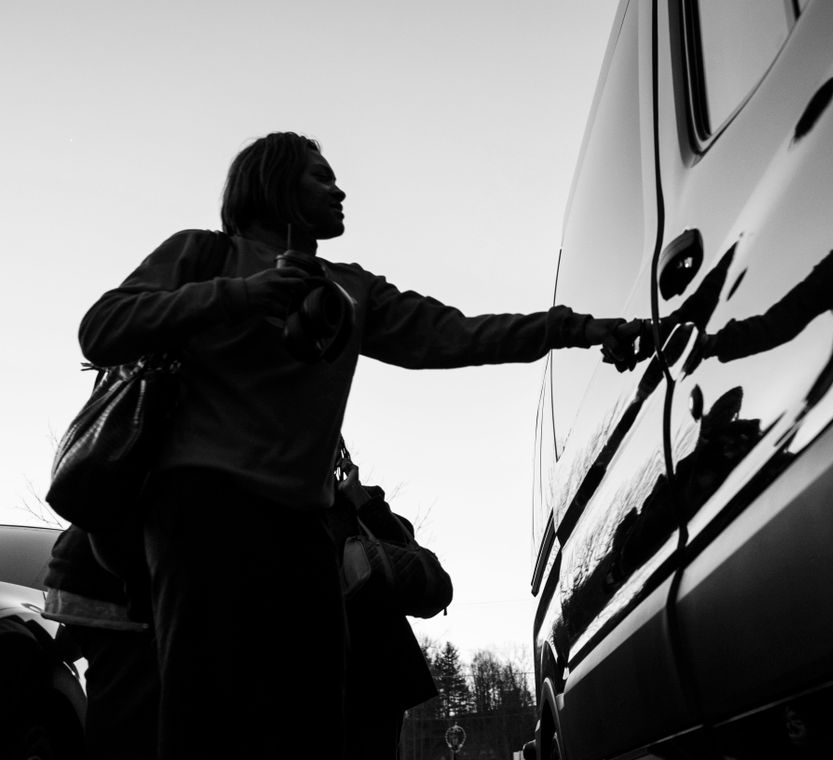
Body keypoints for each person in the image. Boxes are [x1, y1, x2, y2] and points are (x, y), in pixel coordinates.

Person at [76, 131, 641, 760]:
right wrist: (241, 296)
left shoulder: (353, 290)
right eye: (321, 177)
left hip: (302, 528)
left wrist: (577, 329)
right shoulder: (202, 255)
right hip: (201, 513)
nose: (339, 189)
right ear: (274, 185)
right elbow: (100, 329)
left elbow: (458, 334)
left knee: (318, 718)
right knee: (206, 715)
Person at [43, 525, 160, 760]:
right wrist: (135, 583)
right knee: (131, 706)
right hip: (113, 585)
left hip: (84, 578)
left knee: (119, 693)